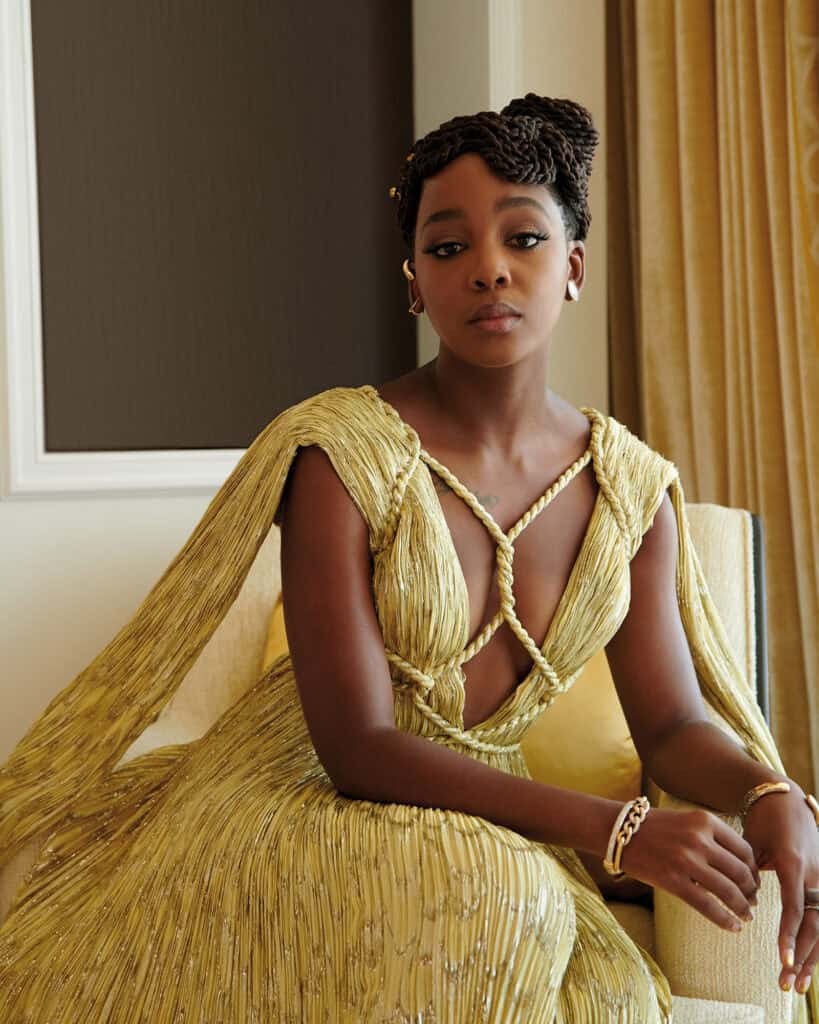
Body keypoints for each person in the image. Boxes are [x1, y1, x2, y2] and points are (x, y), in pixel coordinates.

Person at [0, 92, 817, 1023]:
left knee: (602, 989)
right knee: (500, 907)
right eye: (448, 246)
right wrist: (617, 830)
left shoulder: (630, 489)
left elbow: (667, 725)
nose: (488, 269)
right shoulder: (341, 452)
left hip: (485, 823)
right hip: (300, 800)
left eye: (523, 239)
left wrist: (768, 791)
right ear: (415, 283)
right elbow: (357, 747)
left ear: (573, 267)